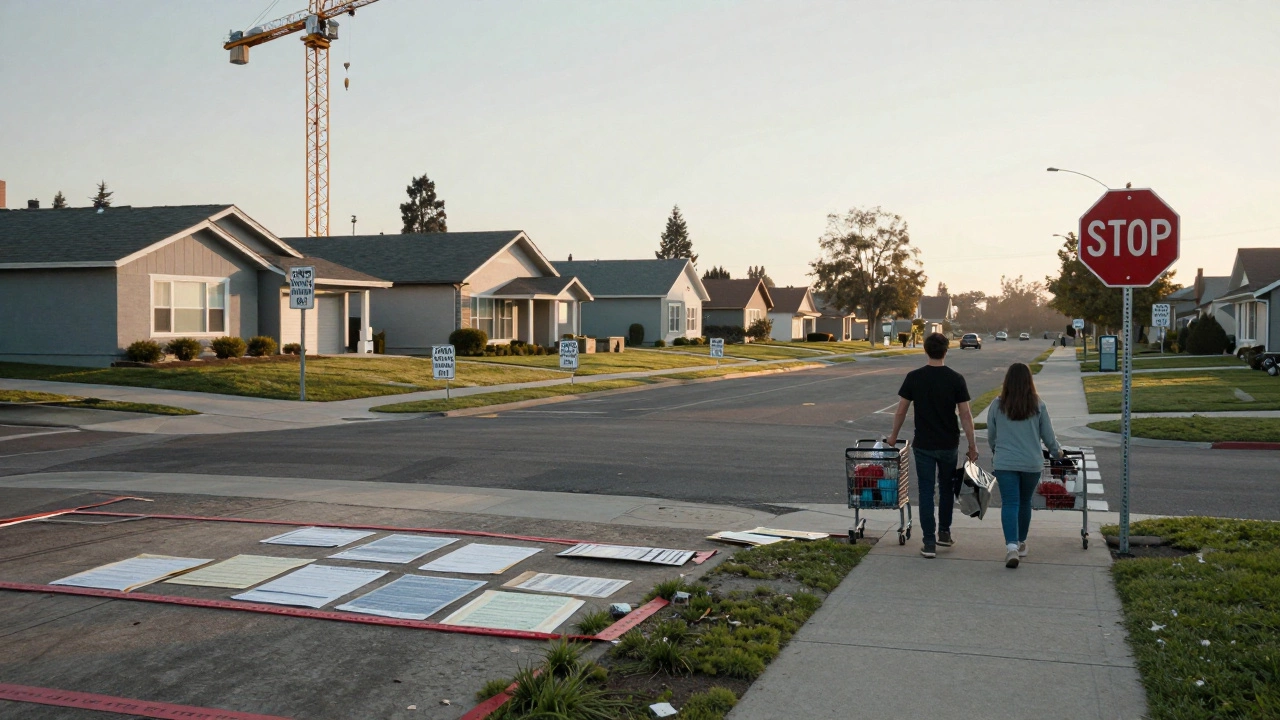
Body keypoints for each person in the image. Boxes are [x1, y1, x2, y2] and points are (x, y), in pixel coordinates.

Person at [887, 332, 978, 558]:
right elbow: (965, 414)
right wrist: (972, 445)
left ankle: (929, 542)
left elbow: (901, 410)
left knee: (926, 491)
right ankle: (944, 533)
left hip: (924, 444)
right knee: (946, 489)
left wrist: (893, 436)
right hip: (949, 443)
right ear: (946, 350)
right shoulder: (956, 379)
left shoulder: (914, 377)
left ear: (926, 350)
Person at [986, 362, 1062, 569]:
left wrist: (996, 451)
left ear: (1007, 381)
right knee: (1025, 501)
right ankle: (1021, 542)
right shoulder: (1038, 405)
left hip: (1005, 462)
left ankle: (1011, 546)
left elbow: (991, 436)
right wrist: (1057, 452)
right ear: (1029, 381)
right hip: (1031, 463)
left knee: (1010, 502)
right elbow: (1048, 436)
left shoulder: (997, 405)